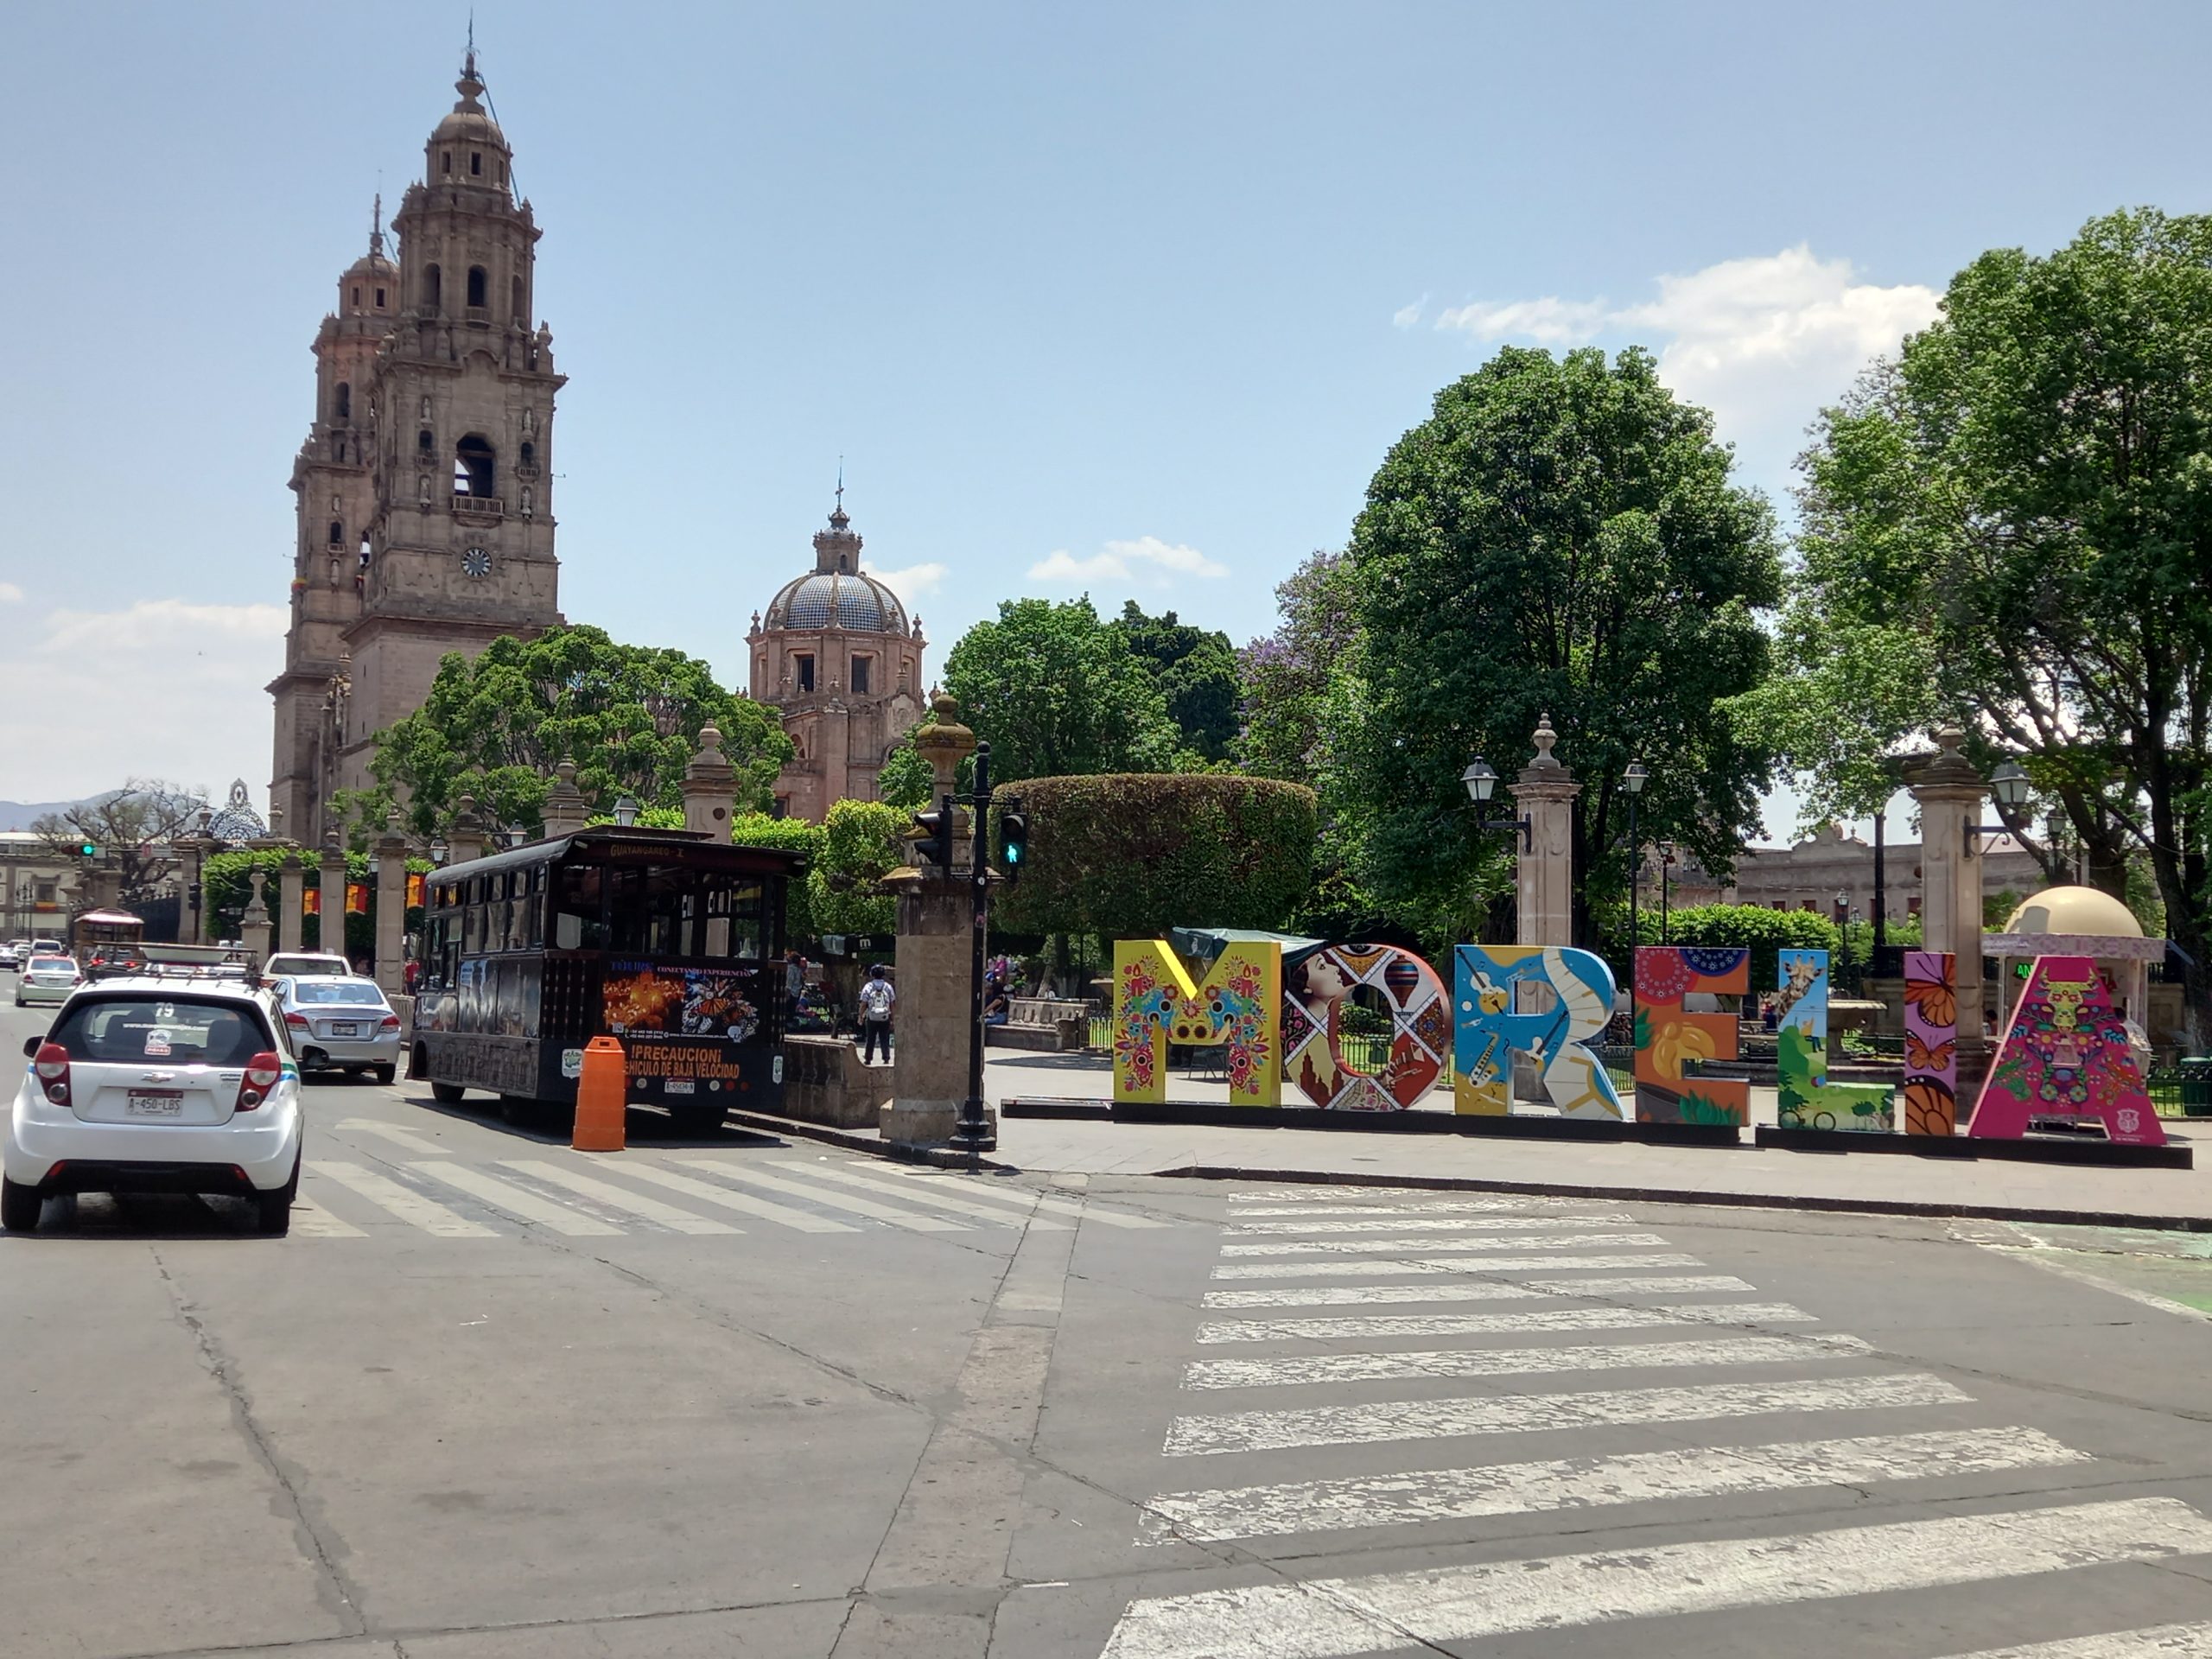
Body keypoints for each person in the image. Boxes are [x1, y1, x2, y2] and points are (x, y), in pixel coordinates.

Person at [858, 964, 896, 1064]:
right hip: (884, 1016)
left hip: (872, 1016)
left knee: (871, 1037)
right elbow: (892, 1004)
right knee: (884, 1037)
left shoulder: (868, 986)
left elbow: (864, 1003)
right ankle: (886, 1058)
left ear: (872, 974)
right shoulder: (888, 987)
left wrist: (861, 1016)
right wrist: (893, 1018)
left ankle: (868, 1058)